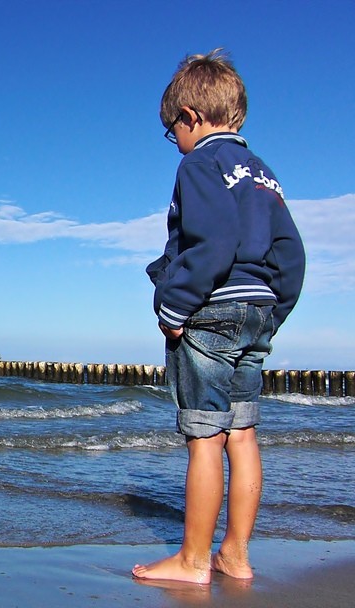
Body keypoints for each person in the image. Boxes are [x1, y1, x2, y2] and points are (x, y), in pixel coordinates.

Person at [132, 49, 306, 584]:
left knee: (204, 437)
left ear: (190, 116)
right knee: (243, 434)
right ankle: (236, 554)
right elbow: (292, 255)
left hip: (211, 310)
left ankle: (191, 561)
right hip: (257, 309)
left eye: (172, 131)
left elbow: (213, 242)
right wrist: (272, 313)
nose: (175, 142)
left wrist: (174, 305)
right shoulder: (264, 175)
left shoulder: (199, 163)